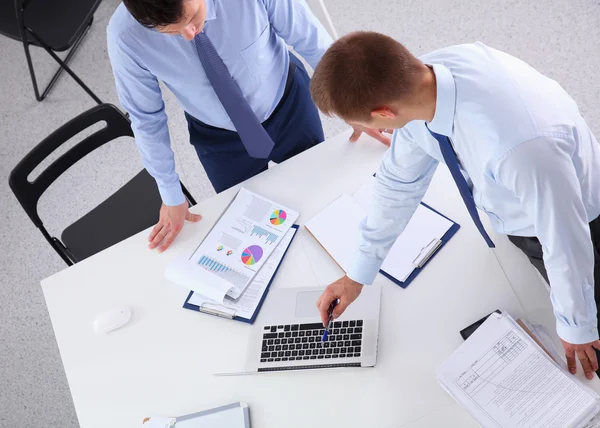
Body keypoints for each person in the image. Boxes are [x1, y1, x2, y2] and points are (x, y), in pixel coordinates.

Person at [310, 31, 600, 380]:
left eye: (361, 122)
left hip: (574, 222)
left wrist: (577, 326)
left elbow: (565, 240)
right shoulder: (419, 83)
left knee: (588, 342)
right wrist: (357, 274)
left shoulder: (520, 148)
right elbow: (399, 182)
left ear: (384, 113)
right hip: (524, 205)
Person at [107, 0, 390, 254]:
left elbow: (311, 40)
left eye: (192, 17)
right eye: (172, 32)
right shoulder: (124, 37)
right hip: (218, 139)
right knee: (250, 227)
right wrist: (170, 194)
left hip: (288, 103)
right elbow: (146, 118)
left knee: (321, 194)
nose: (189, 34)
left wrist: (351, 105)